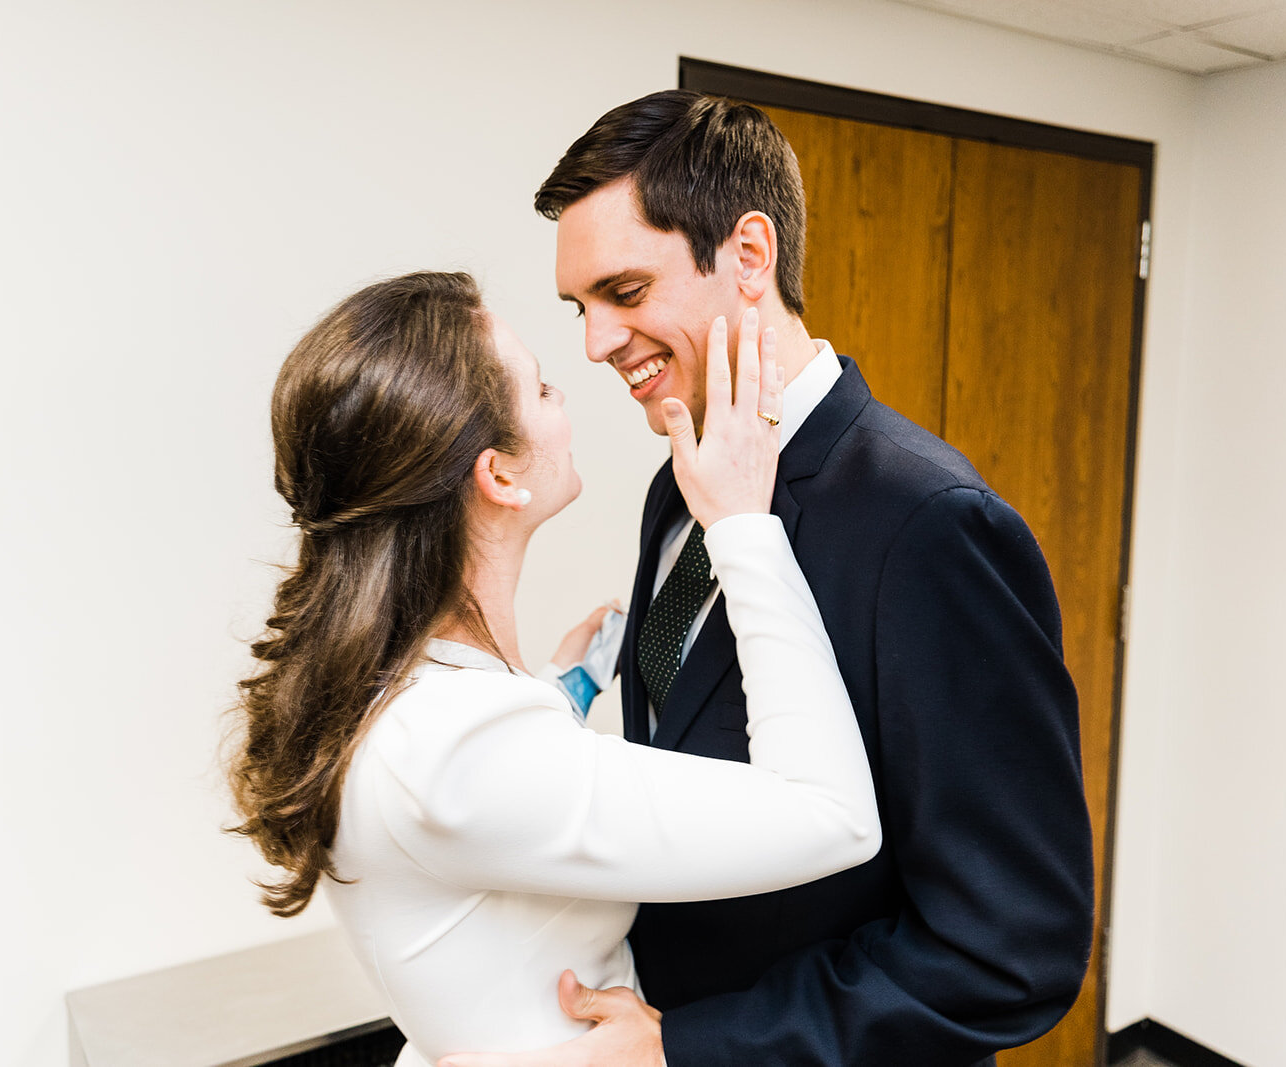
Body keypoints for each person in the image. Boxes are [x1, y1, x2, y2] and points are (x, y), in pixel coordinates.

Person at [438, 91, 1094, 1067]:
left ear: (749, 256)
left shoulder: (929, 525)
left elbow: (1011, 942)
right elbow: (685, 756)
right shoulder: (677, 487)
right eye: (580, 308)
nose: (596, 342)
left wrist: (697, 1043)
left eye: (624, 291)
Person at [226, 270, 884, 1067]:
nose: (577, 373)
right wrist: (743, 525)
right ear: (498, 474)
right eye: (541, 389)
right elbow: (831, 813)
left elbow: (499, 816)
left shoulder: (400, 703)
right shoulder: (457, 747)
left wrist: (563, 689)